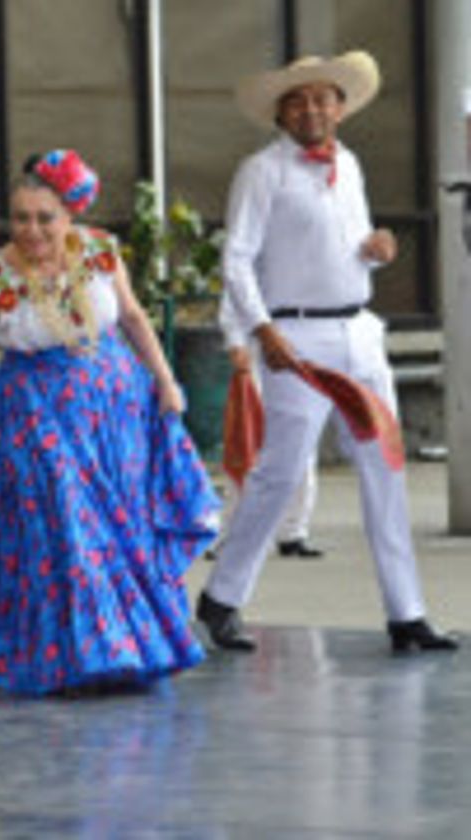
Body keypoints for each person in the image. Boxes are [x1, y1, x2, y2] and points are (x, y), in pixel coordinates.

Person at [0, 149, 218, 696]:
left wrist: (165, 379)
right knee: (66, 525)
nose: (33, 229)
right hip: (39, 413)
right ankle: (74, 656)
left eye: (46, 217)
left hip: (116, 410)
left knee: (118, 528)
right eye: (21, 217)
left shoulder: (98, 251)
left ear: (69, 217)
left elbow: (135, 318)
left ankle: (127, 648)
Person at [198, 52, 456, 654]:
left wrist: (374, 248)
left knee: (385, 470)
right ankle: (223, 596)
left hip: (359, 334)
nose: (313, 109)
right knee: (280, 473)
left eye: (323, 98)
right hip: (298, 341)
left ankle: (407, 613)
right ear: (281, 112)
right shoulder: (262, 172)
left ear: (340, 108)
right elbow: (236, 258)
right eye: (299, 99)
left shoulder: (351, 164)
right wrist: (263, 332)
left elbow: (342, 248)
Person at [218, 291, 324, 560]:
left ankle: (293, 531)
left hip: (303, 346)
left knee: (301, 440)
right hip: (257, 348)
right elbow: (235, 294)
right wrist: (235, 343)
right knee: (247, 441)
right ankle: (236, 532)